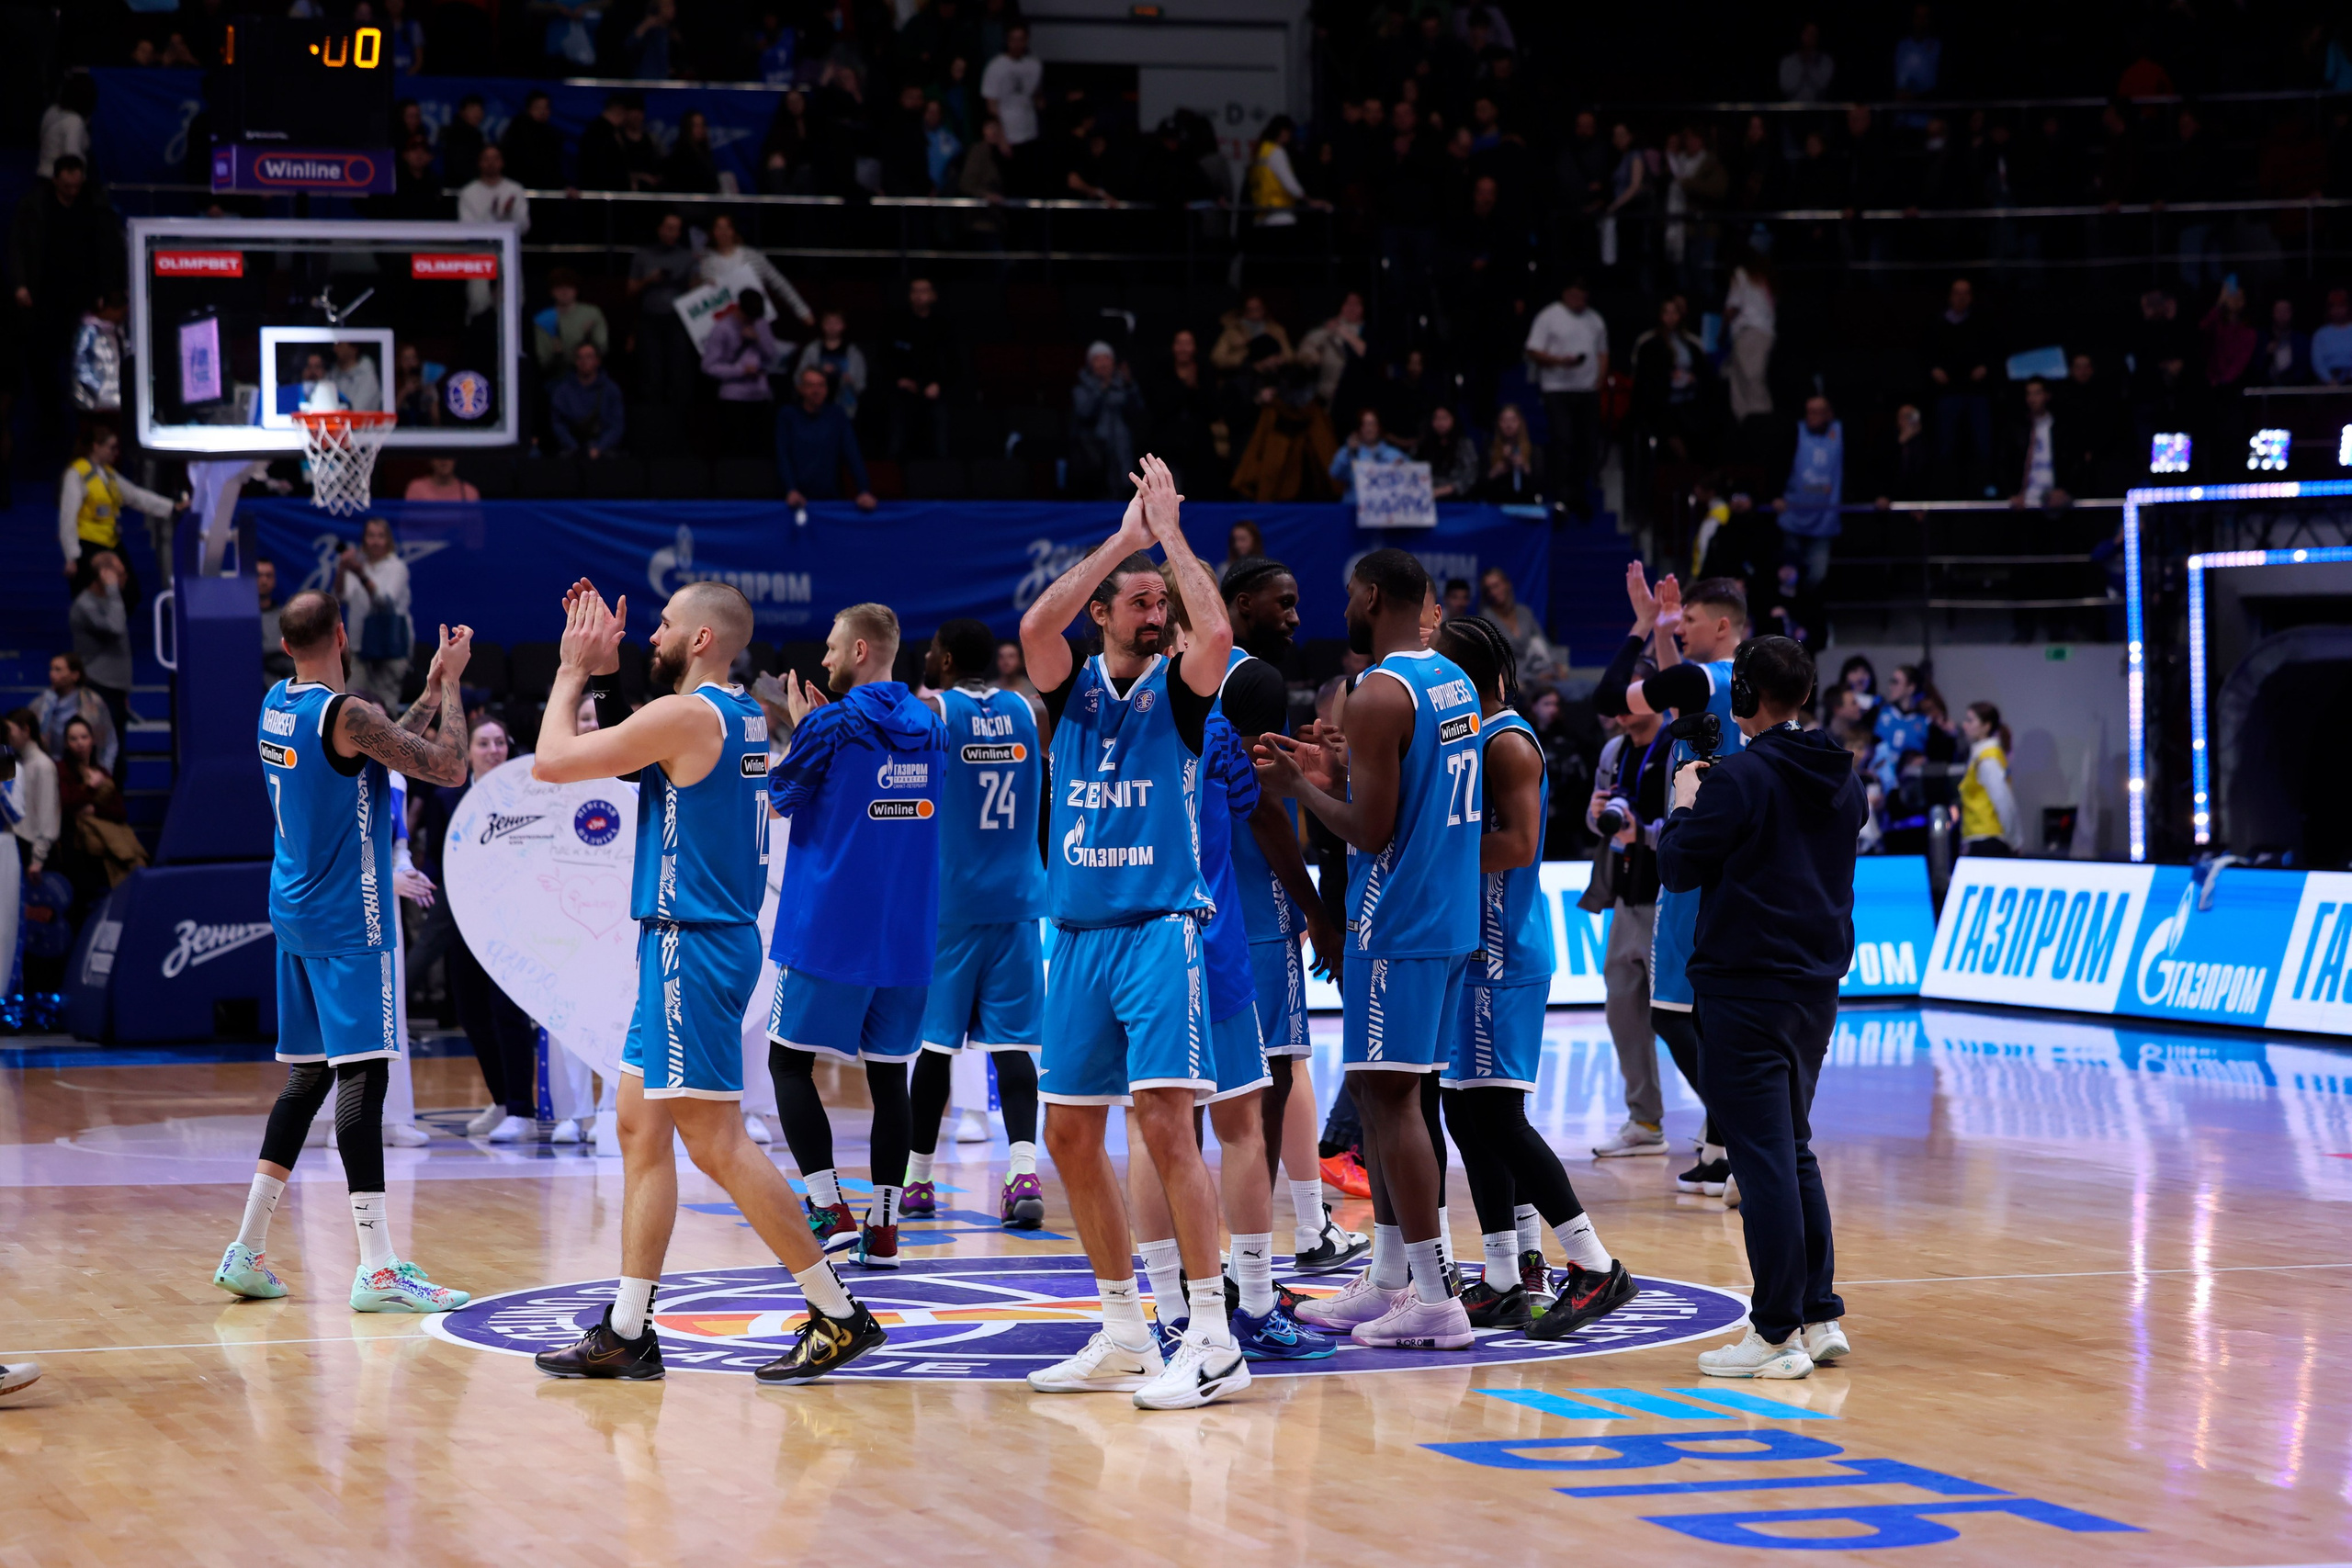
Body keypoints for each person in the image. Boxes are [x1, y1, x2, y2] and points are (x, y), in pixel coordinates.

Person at [531, 579, 888, 1382]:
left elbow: (553, 762)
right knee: (637, 1123)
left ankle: (837, 1312)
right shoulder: (739, 714)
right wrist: (608, 673)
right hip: (693, 941)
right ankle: (628, 1327)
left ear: (700, 640)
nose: (651, 632)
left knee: (717, 1141)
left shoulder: (689, 716)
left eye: (662, 624)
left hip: (690, 945)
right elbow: (637, 764)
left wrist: (570, 669)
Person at [1015, 456, 1252, 1408]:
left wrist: (1175, 540)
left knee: (1163, 1123)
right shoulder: (1066, 689)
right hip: (1072, 935)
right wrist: (1124, 540)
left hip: (1157, 931)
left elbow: (1220, 627)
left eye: (1162, 601)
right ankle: (1122, 1327)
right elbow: (1035, 625)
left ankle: (1212, 1334)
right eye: (1138, 601)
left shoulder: (1184, 695)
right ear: (1104, 612)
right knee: (1068, 1134)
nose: (1155, 612)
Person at [209, 593, 473, 1315]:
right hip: (347, 918)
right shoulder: (347, 712)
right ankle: (379, 1266)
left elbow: (374, 746)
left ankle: (247, 1247)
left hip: (294, 910)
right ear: (343, 635)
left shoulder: (277, 702)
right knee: (362, 1080)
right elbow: (446, 767)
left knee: (307, 1079)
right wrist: (452, 686)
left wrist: (422, 691)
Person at [1257, 548, 1481, 1352]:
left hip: (1398, 921)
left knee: (1392, 1103)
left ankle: (1433, 1294)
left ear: (1375, 595)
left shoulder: (1378, 691)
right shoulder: (1448, 679)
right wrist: (1337, 766)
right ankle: (1390, 1275)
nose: (1342, 605)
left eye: (1350, 593)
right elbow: (1409, 783)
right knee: (1394, 1096)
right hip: (1445, 915)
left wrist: (1300, 790)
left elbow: (1371, 829)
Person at [1659, 635, 1864, 1378]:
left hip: (1745, 986)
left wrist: (1685, 801)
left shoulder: (1737, 780)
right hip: (1815, 986)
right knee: (1794, 1148)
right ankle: (1818, 1311)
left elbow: (1678, 867)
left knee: (1764, 1160)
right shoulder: (1846, 778)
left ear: (1744, 694)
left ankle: (1775, 1329)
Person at [1432, 616, 1634, 1337]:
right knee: (1465, 1113)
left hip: (1502, 955)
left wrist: (1430, 847)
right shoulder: (1469, 740)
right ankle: (1502, 1276)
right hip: (1469, 953)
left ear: (1478, 681)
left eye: (1445, 676)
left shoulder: (1509, 742)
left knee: (1496, 1117)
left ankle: (1593, 1263)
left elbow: (1516, 844)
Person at [759, 603, 946, 1270]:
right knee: (888, 1077)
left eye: (835, 650)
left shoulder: (833, 723)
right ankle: (886, 1225)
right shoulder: (931, 724)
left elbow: (780, 796)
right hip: (906, 937)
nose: (827, 661)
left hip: (828, 930)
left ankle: (827, 1203)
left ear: (862, 650)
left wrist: (798, 727)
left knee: (787, 1063)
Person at [1213, 560, 1359, 1273]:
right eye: (1285, 603)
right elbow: (1264, 806)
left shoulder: (1187, 674)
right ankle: (1259, 1261)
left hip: (1191, 904)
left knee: (1195, 1094)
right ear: (1242, 605)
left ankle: (1226, 1256)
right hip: (1256, 906)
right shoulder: (1251, 683)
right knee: (1275, 1076)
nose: (1297, 616)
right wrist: (1317, 911)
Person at [1592, 566, 1749, 1200]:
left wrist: (1641, 629)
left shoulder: (1702, 678)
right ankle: (1718, 1147)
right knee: (1709, 1013)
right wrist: (1663, 632)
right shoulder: (1736, 680)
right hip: (1735, 854)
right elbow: (1678, 694)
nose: (1678, 629)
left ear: (1720, 625)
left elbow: (1614, 696)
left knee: (1672, 1009)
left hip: (1698, 859)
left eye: (1686, 623)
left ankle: (1742, 1129)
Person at [903, 619, 1047, 1228]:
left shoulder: (935, 707)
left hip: (954, 904)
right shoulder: (1027, 709)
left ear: (948, 657)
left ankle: (915, 1182)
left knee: (935, 1049)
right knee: (1013, 1047)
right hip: (1017, 898)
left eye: (933, 650)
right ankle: (1022, 1172)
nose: (928, 657)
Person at [415, 717, 546, 1141]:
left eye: (499, 742)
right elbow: (437, 857)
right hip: (463, 922)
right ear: (468, 752)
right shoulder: (446, 799)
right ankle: (503, 1100)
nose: (493, 750)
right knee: (471, 1014)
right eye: (483, 743)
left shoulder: (528, 794)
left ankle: (523, 1113)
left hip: (513, 923)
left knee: (507, 1012)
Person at [1583, 680, 1672, 1159]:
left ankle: (1722, 1131)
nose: (1618, 710)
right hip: (1624, 897)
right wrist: (1599, 817)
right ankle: (1644, 1120)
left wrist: (1648, 833)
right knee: (1623, 1013)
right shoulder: (1614, 750)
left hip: (1669, 901)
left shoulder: (1677, 746)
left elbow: (1692, 822)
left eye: (1629, 698)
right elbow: (1597, 822)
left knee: (1681, 1020)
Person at [59, 423, 179, 603]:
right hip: (87, 545)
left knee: (129, 594)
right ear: (96, 446)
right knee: (86, 601)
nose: (116, 453)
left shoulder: (109, 475)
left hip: (110, 541)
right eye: (111, 448)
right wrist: (71, 555)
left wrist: (171, 507)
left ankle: (111, 628)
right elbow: (67, 518)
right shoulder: (77, 475)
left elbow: (136, 496)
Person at [1523, 278, 1607, 521]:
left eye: (1584, 295)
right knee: (1563, 441)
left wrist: (1599, 379)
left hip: (1587, 389)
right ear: (1566, 293)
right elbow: (1533, 350)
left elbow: (1603, 352)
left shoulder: (1595, 319)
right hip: (1557, 388)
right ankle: (1561, 497)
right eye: (1576, 294)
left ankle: (1579, 496)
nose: (1580, 300)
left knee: (1587, 445)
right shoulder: (1549, 316)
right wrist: (1560, 362)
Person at [775, 366, 878, 511]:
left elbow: (853, 455)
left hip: (829, 499)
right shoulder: (788, 415)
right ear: (800, 389)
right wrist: (790, 489)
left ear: (827, 388)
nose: (816, 391)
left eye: (821, 385)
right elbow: (783, 455)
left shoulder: (837, 415)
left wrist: (864, 490)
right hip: (795, 499)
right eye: (810, 385)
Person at [693, 212, 815, 334]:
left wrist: (802, 311)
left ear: (734, 231)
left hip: (756, 323)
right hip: (724, 330)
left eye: (727, 228)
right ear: (712, 233)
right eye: (719, 228)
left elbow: (780, 284)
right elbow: (699, 297)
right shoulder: (706, 262)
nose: (723, 233)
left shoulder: (753, 257)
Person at [338, 517, 413, 712]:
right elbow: (338, 597)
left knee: (384, 708)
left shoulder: (397, 567)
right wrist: (342, 568)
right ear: (364, 539)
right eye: (371, 536)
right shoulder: (355, 565)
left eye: (381, 536)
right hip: (358, 646)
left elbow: (384, 601)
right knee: (352, 705)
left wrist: (360, 574)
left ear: (388, 540)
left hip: (389, 647)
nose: (375, 541)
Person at [628, 211, 698, 408]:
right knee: (651, 370)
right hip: (649, 319)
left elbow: (695, 289)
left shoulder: (687, 256)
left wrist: (700, 280)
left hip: (678, 321)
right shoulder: (644, 255)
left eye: (676, 229)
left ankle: (677, 416)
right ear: (659, 228)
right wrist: (649, 280)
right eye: (668, 227)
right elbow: (631, 289)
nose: (672, 233)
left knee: (678, 370)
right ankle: (651, 415)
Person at [704, 289, 785, 459]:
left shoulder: (761, 324)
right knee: (736, 451)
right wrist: (740, 370)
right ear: (740, 309)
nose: (752, 321)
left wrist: (758, 339)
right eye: (750, 317)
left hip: (760, 395)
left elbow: (773, 357)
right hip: (733, 398)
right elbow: (709, 366)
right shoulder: (722, 329)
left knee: (761, 451)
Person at [1775, 395, 1843, 589]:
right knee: (1788, 577)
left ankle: (1808, 616)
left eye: (1818, 412)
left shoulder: (1839, 433)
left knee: (1816, 576)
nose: (1812, 417)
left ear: (1829, 414)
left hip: (1824, 520)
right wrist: (1776, 495)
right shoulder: (1794, 432)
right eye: (1809, 412)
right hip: (1793, 516)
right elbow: (1779, 465)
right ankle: (1786, 617)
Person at [884, 277, 956, 462]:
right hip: (903, 390)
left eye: (924, 291)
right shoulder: (897, 323)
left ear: (933, 296)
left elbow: (953, 363)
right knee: (896, 438)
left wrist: (938, 384)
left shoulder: (943, 326)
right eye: (915, 291)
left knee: (940, 424)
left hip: (934, 391)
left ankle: (943, 476)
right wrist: (899, 380)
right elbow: (885, 359)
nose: (919, 295)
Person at [68, 553, 134, 748]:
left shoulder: (110, 602)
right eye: (120, 574)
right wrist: (113, 590)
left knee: (118, 755)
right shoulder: (86, 605)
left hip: (115, 689)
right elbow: (116, 628)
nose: (125, 578)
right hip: (98, 687)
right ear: (104, 575)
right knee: (105, 751)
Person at [455, 148, 528, 322]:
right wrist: (493, 215)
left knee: (512, 305)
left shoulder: (514, 189)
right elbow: (466, 229)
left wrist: (509, 215)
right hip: (479, 256)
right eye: (486, 159)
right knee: (479, 303)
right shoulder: (468, 192)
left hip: (507, 255)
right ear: (479, 163)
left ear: (502, 162)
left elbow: (524, 227)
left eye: (495, 158)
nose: (491, 163)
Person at [1476, 567, 1561, 689]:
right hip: (1515, 681)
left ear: (1507, 584)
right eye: (1488, 590)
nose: (1493, 593)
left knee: (1580, 689)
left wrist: (1558, 667)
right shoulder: (1485, 618)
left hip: (1541, 670)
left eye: (1496, 586)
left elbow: (1543, 643)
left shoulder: (1524, 612)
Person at [1955, 701, 2018, 856]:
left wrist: (2015, 840)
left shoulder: (1988, 760)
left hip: (1989, 840)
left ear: (1986, 726)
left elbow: (2003, 801)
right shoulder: (1978, 757)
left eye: (1971, 721)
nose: (1965, 725)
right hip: (1978, 837)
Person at [38, 652, 116, 774]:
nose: (52, 674)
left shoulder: (92, 701)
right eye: (51, 669)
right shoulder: (43, 703)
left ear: (75, 675)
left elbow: (110, 742)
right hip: (52, 770)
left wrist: (103, 771)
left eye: (58, 670)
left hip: (87, 770)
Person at [548, 340, 625, 459]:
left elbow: (616, 426)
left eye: (589, 357)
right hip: (572, 451)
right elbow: (558, 424)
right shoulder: (562, 391)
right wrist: (574, 447)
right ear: (575, 361)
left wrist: (599, 448)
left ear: (598, 361)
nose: (584, 361)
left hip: (604, 452)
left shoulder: (611, 389)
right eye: (580, 357)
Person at [531, 267, 611, 378]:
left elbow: (603, 348)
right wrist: (556, 354)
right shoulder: (544, 319)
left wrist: (587, 340)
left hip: (592, 375)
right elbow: (544, 361)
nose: (564, 292)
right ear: (552, 291)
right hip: (559, 377)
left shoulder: (592, 314)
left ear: (576, 290)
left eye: (569, 287)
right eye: (559, 287)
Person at [792, 310, 867, 421]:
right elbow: (798, 378)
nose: (832, 327)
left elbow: (861, 384)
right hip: (815, 407)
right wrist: (819, 372)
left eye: (836, 323)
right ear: (822, 325)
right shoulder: (813, 349)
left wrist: (849, 380)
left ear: (843, 326)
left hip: (844, 407)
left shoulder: (853, 352)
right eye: (828, 323)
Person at [979, 25, 1043, 149]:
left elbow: (1037, 96)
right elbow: (991, 106)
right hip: (1007, 134)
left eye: (1021, 40)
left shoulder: (1034, 64)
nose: (1017, 44)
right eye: (1013, 40)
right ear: (1007, 40)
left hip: (1030, 132)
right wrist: (1001, 138)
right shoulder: (995, 66)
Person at [1328, 408, 1405, 502]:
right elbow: (1335, 474)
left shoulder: (1394, 454)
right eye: (1365, 424)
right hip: (1354, 508)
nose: (1369, 428)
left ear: (1379, 427)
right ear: (1359, 428)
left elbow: (1411, 479)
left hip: (1384, 510)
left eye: (1373, 424)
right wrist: (1349, 453)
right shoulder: (1349, 452)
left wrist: (1404, 469)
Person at [403, 456, 479, 502]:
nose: (444, 461)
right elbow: (406, 526)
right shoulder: (416, 489)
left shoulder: (469, 492)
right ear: (430, 460)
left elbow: (476, 527)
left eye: (448, 455)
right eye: (438, 454)